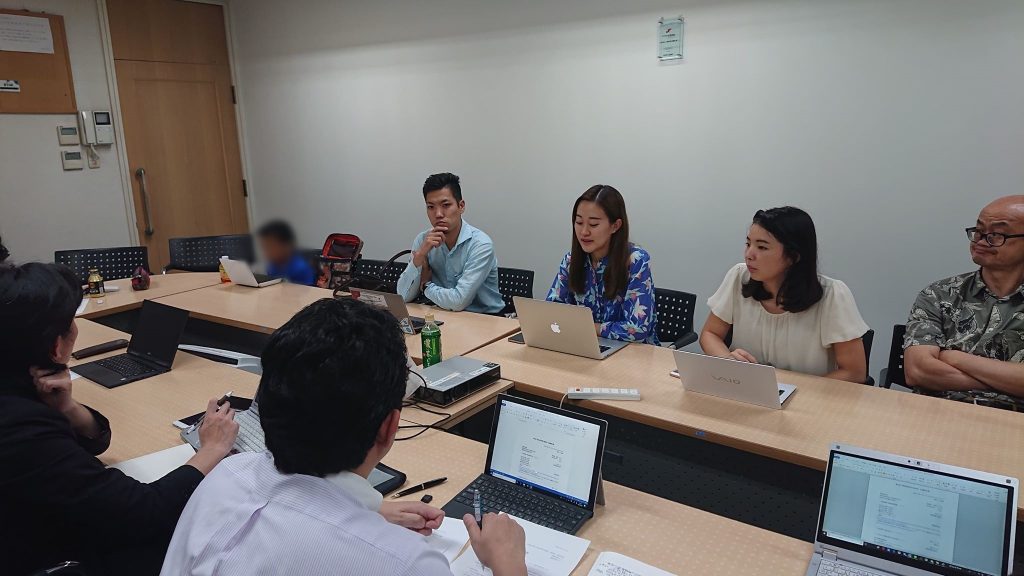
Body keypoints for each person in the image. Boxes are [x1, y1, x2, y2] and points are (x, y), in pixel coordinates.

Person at [161, 298, 528, 576]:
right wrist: (507, 564)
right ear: (389, 427)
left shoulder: (225, 476)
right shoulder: (406, 563)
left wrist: (371, 509)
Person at [0, 262, 239, 576]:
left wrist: (68, 408)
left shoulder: (18, 384)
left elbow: (98, 442)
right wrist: (212, 449)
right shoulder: (22, 429)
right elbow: (147, 513)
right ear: (57, 346)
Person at [699, 207, 869, 382]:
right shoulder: (739, 276)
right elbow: (710, 334)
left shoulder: (832, 295)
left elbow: (854, 372)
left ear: (793, 256)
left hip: (808, 394)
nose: (749, 255)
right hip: (745, 387)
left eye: (762, 247)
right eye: (748, 244)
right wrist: (728, 360)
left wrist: (800, 390)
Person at [904, 196, 1024, 410]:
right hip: (935, 413)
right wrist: (1008, 382)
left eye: (996, 234)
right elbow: (918, 371)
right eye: (979, 231)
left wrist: (955, 358)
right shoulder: (940, 294)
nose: (981, 241)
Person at [547, 185, 659, 344]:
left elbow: (637, 329)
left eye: (593, 224)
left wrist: (589, 328)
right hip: (584, 346)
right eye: (579, 222)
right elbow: (552, 311)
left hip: (633, 352)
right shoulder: (571, 260)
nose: (584, 232)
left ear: (615, 226)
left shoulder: (636, 261)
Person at [396, 173, 504, 314]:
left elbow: (458, 302)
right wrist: (419, 257)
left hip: (486, 318)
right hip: (443, 314)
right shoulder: (423, 240)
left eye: (446, 205)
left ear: (461, 206)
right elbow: (402, 296)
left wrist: (426, 285)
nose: (438, 214)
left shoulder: (480, 245)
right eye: (431, 207)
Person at [257, 219, 317, 285]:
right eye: (264, 247)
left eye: (271, 246)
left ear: (286, 246)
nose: (266, 252)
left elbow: (307, 290)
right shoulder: (272, 265)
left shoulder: (301, 269)